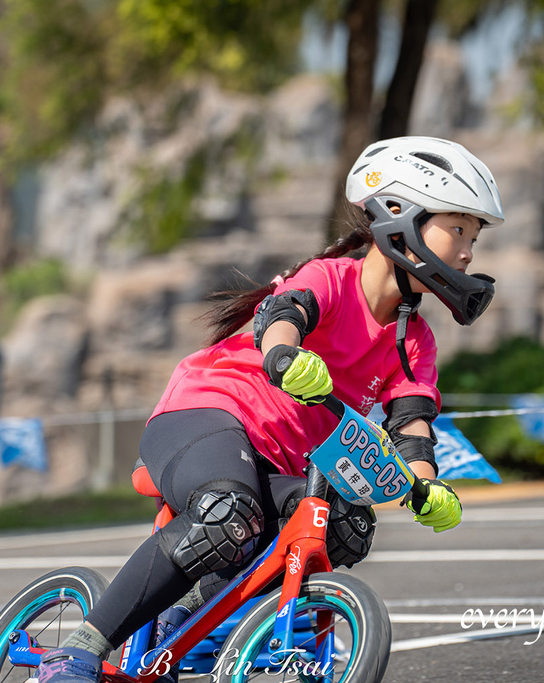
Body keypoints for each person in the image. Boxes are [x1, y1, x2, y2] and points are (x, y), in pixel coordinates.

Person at [37, 136, 506, 683]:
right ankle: (74, 651)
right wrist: (283, 353)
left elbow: (411, 426)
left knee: (346, 527)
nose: (469, 252)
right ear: (399, 215)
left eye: (474, 236)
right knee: (224, 512)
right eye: (458, 230)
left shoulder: (415, 340)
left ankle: (183, 622)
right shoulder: (332, 279)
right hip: (208, 413)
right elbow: (282, 315)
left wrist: (427, 486)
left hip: (283, 462)